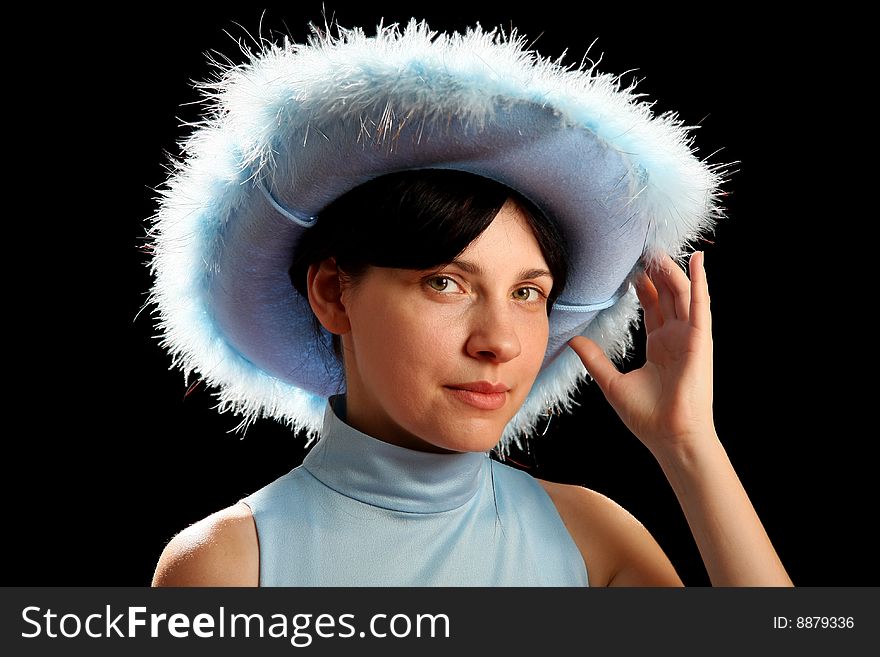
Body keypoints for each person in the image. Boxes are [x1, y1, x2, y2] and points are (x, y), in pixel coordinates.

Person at [148, 18, 792, 586]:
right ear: (331, 293)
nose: (500, 341)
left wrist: (688, 444)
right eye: (445, 283)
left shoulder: (591, 539)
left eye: (527, 293)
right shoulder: (232, 566)